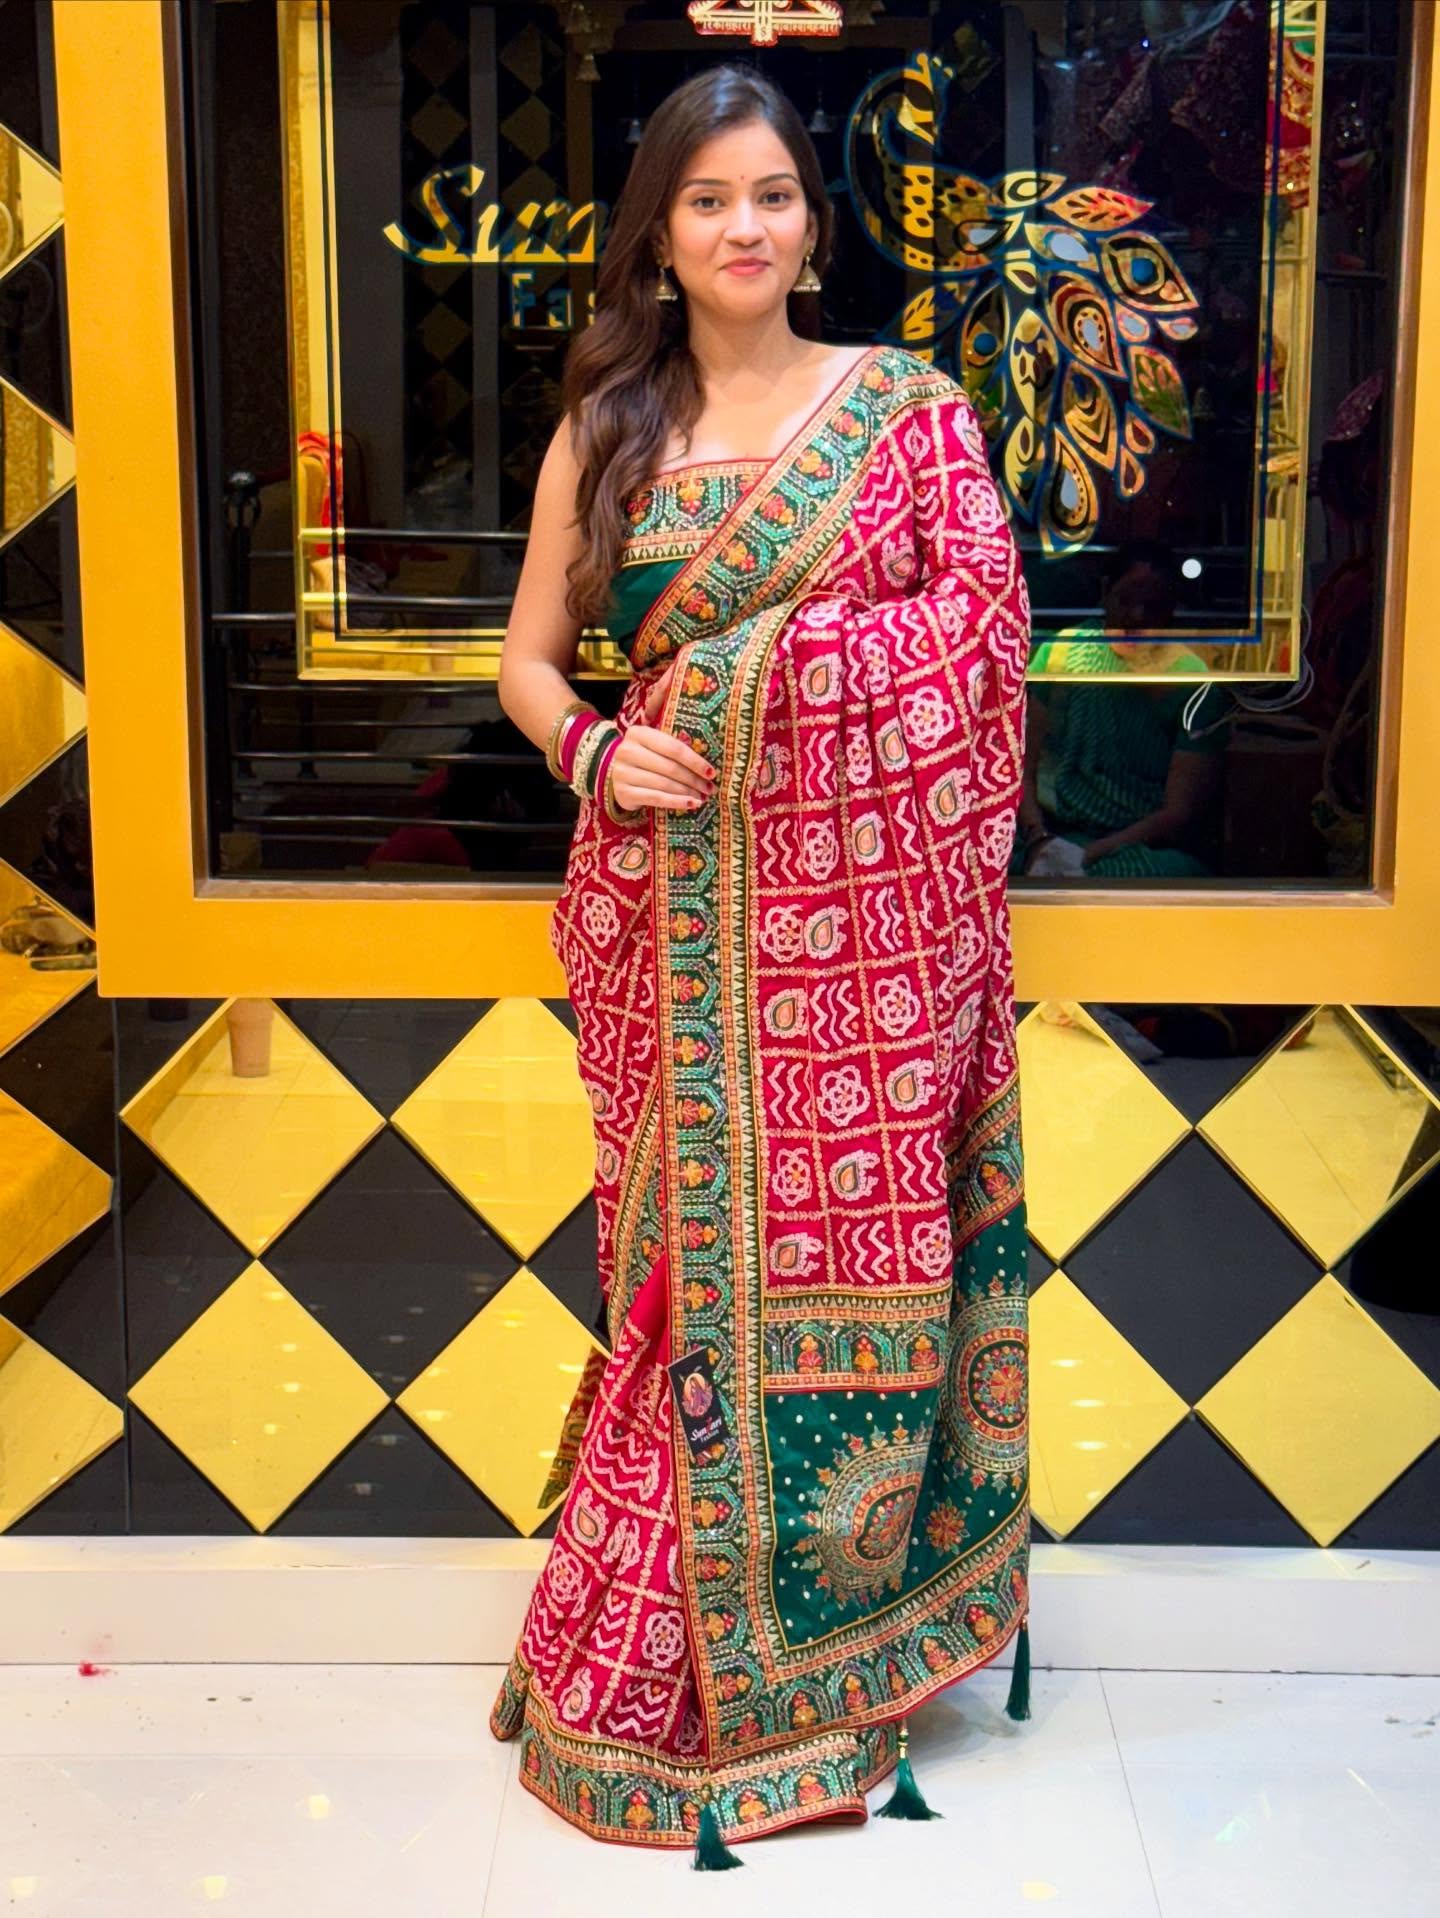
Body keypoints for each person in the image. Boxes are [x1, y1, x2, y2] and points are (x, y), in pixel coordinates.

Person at [493, 62, 1032, 1862]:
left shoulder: (908, 412)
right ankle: (654, 1658)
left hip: (861, 958)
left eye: (778, 195)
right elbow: (531, 667)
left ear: (815, 218)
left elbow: (979, 641)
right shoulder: (610, 423)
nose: (747, 228)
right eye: (711, 197)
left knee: (850, 1256)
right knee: (676, 1270)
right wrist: (594, 748)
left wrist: (756, 684)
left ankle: (830, 1649)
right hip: (661, 918)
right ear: (658, 223)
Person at [1017, 541, 1225, 879]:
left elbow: (1178, 814)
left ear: (1171, 608)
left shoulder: (1194, 678)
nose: (1137, 618)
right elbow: (1020, 768)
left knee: (1176, 876)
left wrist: (1085, 856)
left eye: (1153, 607)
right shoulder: (1062, 653)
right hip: (1050, 834)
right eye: (1125, 600)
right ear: (1105, 592)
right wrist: (1040, 838)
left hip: (1135, 847)